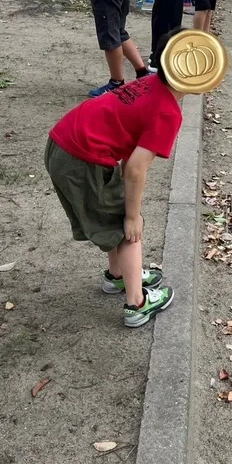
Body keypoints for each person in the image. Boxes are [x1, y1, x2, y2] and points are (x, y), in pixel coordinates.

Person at [44, 31, 186, 328]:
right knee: (127, 228)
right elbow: (135, 169)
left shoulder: (148, 83)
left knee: (114, 214)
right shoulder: (168, 112)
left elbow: (125, 149)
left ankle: (117, 275)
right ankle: (137, 304)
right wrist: (133, 216)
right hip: (81, 159)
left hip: (64, 141)